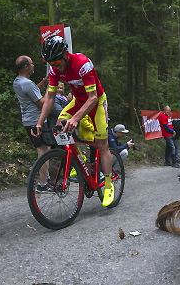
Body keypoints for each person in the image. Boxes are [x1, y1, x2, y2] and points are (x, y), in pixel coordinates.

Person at [33, 35, 114, 207]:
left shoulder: (83, 64)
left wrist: (76, 118)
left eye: (56, 62)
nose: (55, 66)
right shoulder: (54, 70)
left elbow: (92, 98)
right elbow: (49, 98)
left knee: (102, 144)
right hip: (78, 101)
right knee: (59, 125)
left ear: (65, 54)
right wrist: (40, 122)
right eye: (51, 63)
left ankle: (108, 184)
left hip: (96, 102)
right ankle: (79, 161)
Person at [13, 55, 61, 192]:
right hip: (36, 121)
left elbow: (33, 91)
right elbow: (42, 103)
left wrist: (44, 82)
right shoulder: (26, 83)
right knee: (43, 152)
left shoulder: (18, 81)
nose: (33, 65)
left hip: (29, 121)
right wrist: (50, 89)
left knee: (46, 149)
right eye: (32, 63)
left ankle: (46, 179)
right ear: (26, 67)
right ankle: (42, 184)